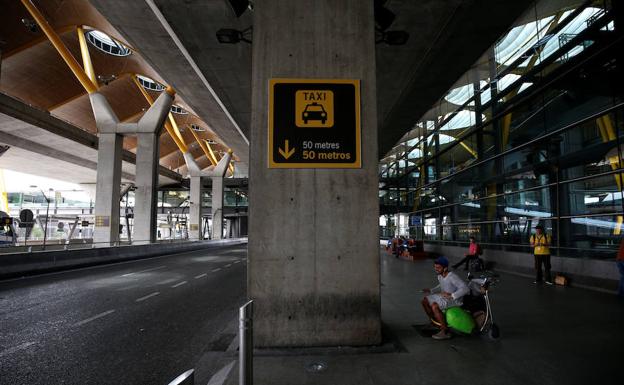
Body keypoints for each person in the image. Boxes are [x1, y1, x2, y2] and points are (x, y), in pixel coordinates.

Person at [421, 256, 469, 340]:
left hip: (455, 300)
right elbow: (441, 285)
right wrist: (431, 290)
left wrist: (452, 295)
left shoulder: (452, 276)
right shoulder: (440, 275)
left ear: (445, 268)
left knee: (434, 306)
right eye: (435, 267)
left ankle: (445, 331)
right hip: (444, 297)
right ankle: (434, 323)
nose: (436, 269)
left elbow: (465, 288)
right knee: (424, 301)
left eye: (438, 267)